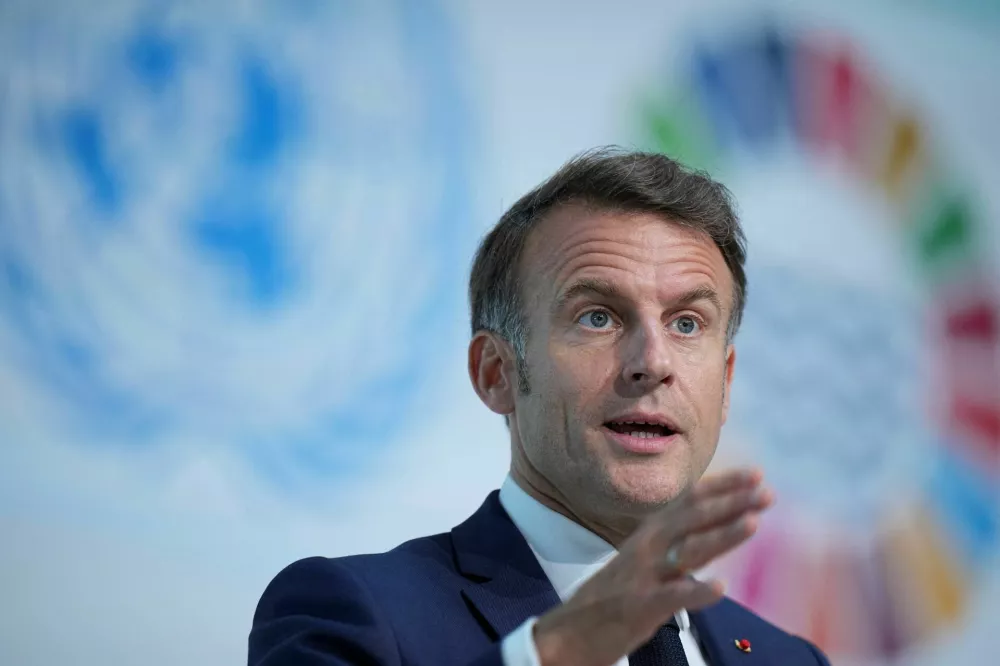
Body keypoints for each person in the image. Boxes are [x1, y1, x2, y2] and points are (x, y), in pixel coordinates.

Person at [248, 148, 831, 666]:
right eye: (596, 316)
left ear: (726, 384)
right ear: (496, 373)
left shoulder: (790, 658)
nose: (653, 361)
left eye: (686, 323)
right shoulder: (350, 613)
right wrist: (555, 656)